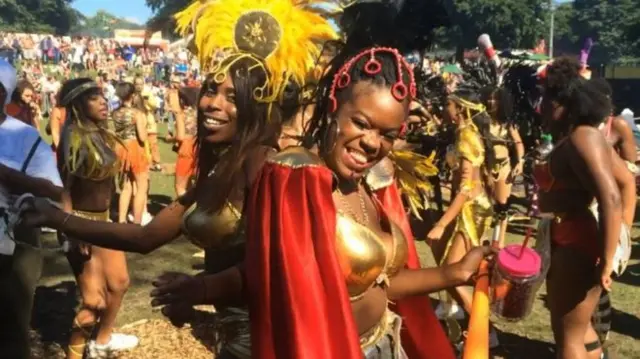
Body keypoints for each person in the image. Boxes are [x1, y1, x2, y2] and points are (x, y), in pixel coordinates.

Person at [21, 0, 337, 357]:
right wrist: (56, 218)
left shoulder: (264, 165)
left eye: (233, 97)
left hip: (270, 339)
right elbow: (145, 236)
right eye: (211, 90)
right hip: (234, 337)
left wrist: (201, 289)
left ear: (257, 107)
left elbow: (280, 267)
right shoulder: (224, 167)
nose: (212, 104)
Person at [536, 57, 622, 359]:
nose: (542, 106)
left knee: (567, 334)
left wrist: (609, 258)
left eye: (547, 98)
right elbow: (624, 181)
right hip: (566, 236)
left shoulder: (584, 137)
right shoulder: (574, 138)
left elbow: (612, 196)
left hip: (576, 240)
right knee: (573, 328)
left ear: (564, 102)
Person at [55, 78, 138, 358]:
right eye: (93, 97)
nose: (103, 101)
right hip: (80, 224)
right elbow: (62, 189)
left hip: (103, 222)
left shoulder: (99, 133)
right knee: (93, 303)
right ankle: (75, 353)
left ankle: (102, 341)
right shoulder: (73, 137)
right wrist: (72, 230)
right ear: (78, 104)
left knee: (120, 283)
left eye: (103, 95)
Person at [0, 59, 63, 359]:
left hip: (16, 243)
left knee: (12, 329)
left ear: (4, 94)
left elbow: (55, 192)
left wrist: (9, 176)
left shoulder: (24, 137)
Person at [112, 82, 149, 225]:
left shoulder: (114, 113)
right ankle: (137, 220)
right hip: (135, 149)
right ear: (132, 95)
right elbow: (143, 137)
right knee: (141, 187)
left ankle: (121, 220)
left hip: (121, 148)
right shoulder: (137, 114)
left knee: (125, 187)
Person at [173, 87, 198, 197]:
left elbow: (180, 136)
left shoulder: (181, 114)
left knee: (180, 186)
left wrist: (170, 138)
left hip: (186, 148)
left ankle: (183, 211)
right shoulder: (199, 113)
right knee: (191, 183)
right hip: (198, 146)